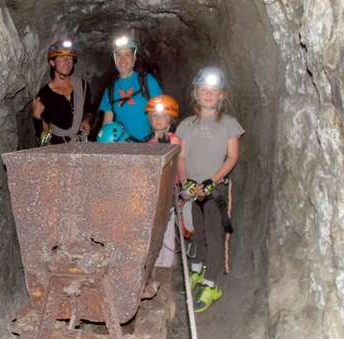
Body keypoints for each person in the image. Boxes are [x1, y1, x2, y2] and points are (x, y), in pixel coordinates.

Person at [176, 66, 244, 312]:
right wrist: (187, 182)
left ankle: (211, 284)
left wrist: (211, 181)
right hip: (194, 190)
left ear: (221, 96)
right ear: (196, 93)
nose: (208, 95)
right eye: (204, 90)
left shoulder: (229, 124)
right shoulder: (186, 125)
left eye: (213, 91)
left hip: (214, 191)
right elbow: (181, 157)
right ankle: (200, 270)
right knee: (197, 233)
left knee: (215, 236)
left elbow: (232, 157)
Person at [145, 95, 184, 268]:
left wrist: (184, 187)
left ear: (170, 119)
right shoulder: (148, 143)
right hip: (153, 195)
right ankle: (153, 264)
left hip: (168, 194)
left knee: (167, 231)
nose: (158, 120)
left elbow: (180, 163)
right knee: (154, 231)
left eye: (162, 116)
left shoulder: (174, 140)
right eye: (154, 116)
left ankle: (165, 267)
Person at [98, 35, 162, 142]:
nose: (122, 59)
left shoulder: (147, 81)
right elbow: (106, 124)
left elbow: (163, 113)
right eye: (118, 55)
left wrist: (157, 137)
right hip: (122, 148)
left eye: (127, 55)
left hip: (148, 145)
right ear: (114, 59)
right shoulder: (110, 90)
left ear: (134, 59)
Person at [31, 39, 93, 145]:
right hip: (58, 147)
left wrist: (87, 120)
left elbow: (89, 110)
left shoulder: (82, 85)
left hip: (81, 143)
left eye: (70, 58)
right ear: (52, 62)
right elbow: (43, 138)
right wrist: (37, 117)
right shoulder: (44, 94)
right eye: (62, 58)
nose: (67, 62)